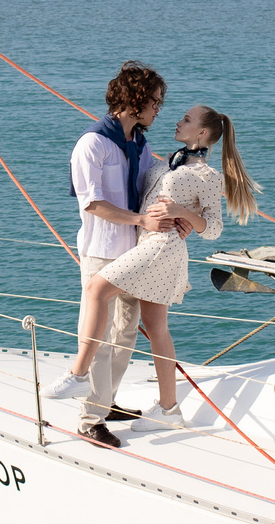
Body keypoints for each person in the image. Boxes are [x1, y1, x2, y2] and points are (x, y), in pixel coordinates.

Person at [93, 105, 257, 430]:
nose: (177, 122)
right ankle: (168, 410)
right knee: (156, 330)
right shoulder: (167, 161)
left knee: (97, 288)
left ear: (202, 133)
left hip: (163, 250)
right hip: (144, 242)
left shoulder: (206, 176)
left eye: (186, 120)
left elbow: (212, 229)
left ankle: (80, 374)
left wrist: (184, 212)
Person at [65, 62, 191, 448]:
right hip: (103, 252)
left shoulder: (138, 143)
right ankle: (90, 419)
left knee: (124, 336)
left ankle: (105, 401)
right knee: (101, 336)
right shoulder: (93, 144)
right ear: (134, 99)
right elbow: (92, 204)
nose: (158, 109)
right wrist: (141, 219)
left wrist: (181, 216)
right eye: (154, 101)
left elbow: (153, 183)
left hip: (136, 254)